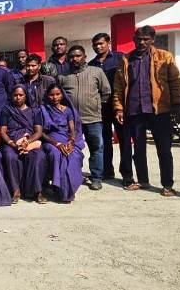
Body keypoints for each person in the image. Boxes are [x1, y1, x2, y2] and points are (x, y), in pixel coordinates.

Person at [113, 26, 180, 195]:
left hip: (159, 110)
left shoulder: (164, 57)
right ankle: (143, 181)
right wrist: (119, 108)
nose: (141, 42)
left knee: (164, 149)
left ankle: (167, 185)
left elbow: (175, 81)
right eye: (138, 39)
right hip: (134, 110)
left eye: (145, 39)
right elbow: (119, 86)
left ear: (152, 40)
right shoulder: (126, 59)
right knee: (139, 149)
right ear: (134, 40)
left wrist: (177, 103)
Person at [57, 45, 111, 191]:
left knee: (96, 148)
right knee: (73, 149)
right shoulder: (63, 77)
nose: (75, 59)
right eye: (72, 56)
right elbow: (59, 97)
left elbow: (106, 92)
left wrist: (96, 104)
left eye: (78, 56)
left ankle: (96, 177)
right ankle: (75, 175)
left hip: (93, 119)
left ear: (84, 57)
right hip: (72, 121)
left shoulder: (96, 71)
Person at [34, 84, 85, 203]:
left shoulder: (68, 110)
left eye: (58, 94)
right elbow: (42, 133)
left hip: (66, 140)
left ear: (62, 95)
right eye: (52, 95)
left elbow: (72, 130)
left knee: (74, 156)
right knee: (56, 155)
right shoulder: (43, 110)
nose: (55, 97)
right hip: (50, 141)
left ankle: (68, 191)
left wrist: (71, 142)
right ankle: (58, 190)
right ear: (47, 96)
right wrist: (56, 144)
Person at [0, 85, 47, 203]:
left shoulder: (35, 111)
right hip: (11, 142)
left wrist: (27, 142)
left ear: (26, 96)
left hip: (30, 141)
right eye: (15, 95)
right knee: (10, 156)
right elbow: (3, 131)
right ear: (11, 96)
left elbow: (38, 132)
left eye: (21, 95)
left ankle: (37, 191)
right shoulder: (6, 110)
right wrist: (13, 144)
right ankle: (16, 190)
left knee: (38, 156)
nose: (18, 97)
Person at [89, 33, 125, 181]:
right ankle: (107, 171)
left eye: (101, 43)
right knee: (104, 140)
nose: (98, 46)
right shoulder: (91, 65)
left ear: (108, 43)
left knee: (123, 139)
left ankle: (126, 174)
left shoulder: (120, 58)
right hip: (101, 108)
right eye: (95, 44)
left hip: (118, 105)